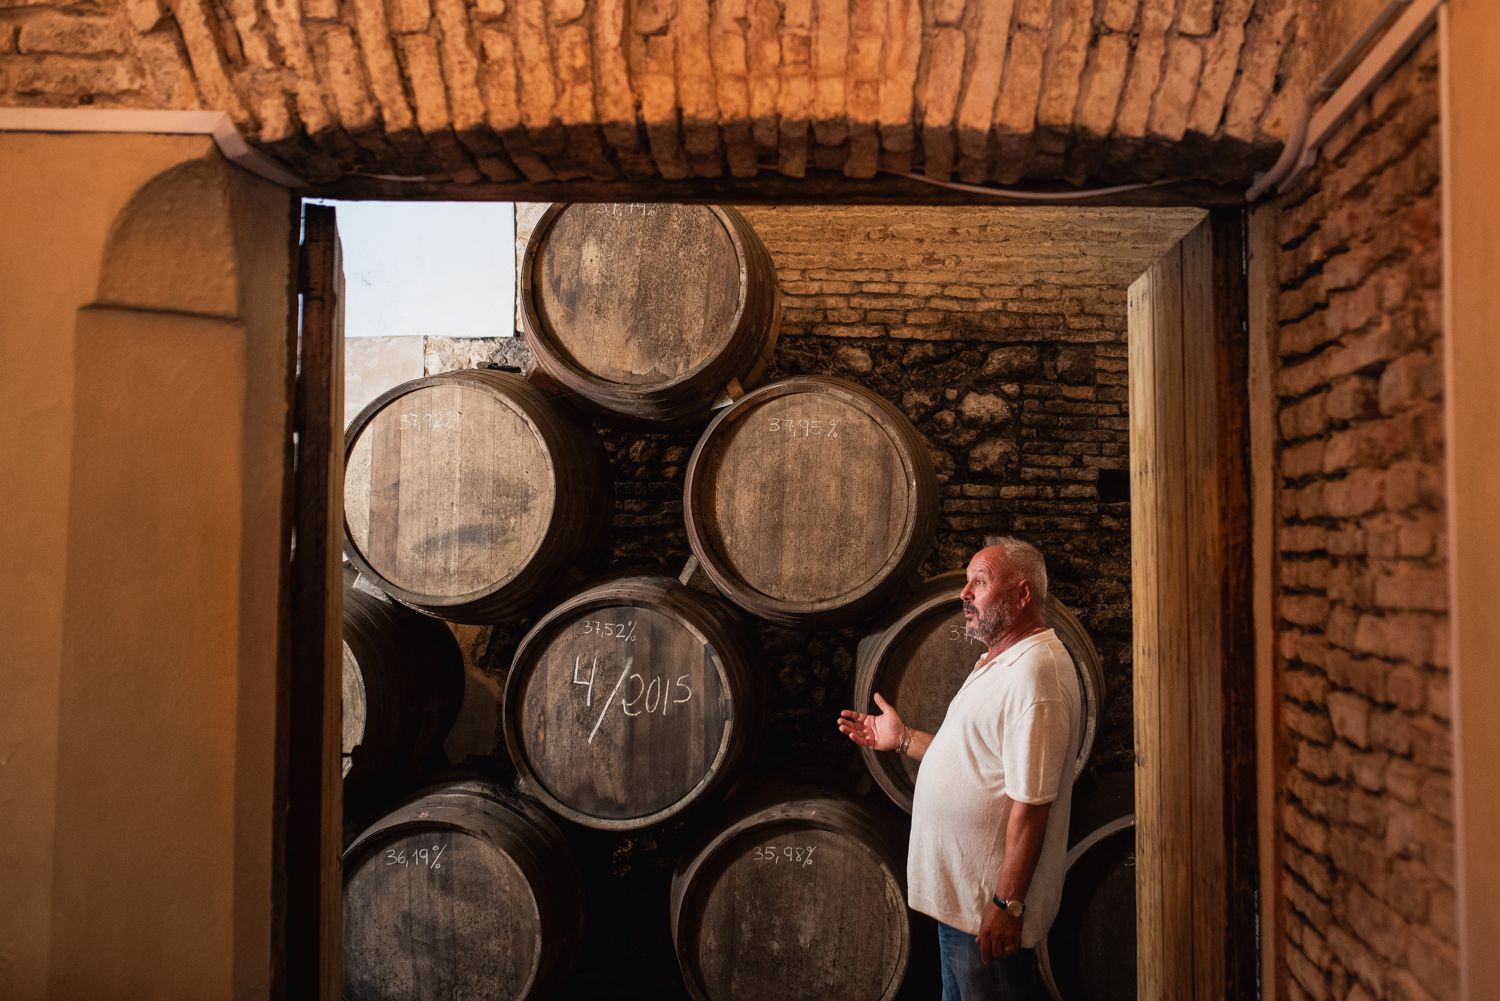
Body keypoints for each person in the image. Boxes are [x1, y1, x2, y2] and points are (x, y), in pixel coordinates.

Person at [838, 537, 1081, 1001]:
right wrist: (903, 738)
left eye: (980, 582)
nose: (964, 593)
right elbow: (973, 761)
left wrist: (1005, 906)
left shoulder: (1035, 676)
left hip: (984, 911)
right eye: (966, 582)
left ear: (1022, 595)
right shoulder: (999, 661)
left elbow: (1032, 807)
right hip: (963, 907)